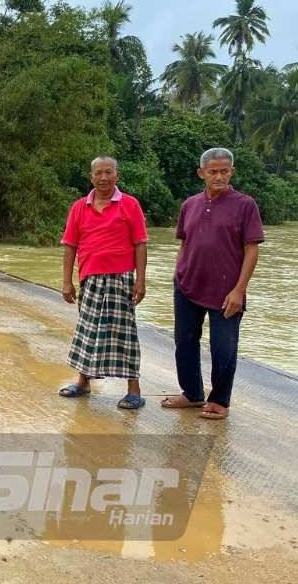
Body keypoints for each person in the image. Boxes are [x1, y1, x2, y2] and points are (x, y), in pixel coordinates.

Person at [161, 147, 264, 420]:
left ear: (232, 172)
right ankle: (192, 393)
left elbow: (252, 249)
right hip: (187, 285)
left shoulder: (245, 205)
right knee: (185, 342)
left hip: (227, 291)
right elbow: (184, 242)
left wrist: (239, 290)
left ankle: (219, 401)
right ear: (201, 173)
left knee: (223, 348)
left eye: (224, 171)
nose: (219, 176)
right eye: (213, 171)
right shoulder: (190, 204)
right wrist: (178, 273)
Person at [58, 156, 149, 409]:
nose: (104, 178)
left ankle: (134, 390)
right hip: (89, 278)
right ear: (91, 177)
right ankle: (83, 381)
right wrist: (67, 282)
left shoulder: (130, 204)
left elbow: (140, 244)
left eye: (109, 172)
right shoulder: (79, 207)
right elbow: (70, 246)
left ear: (117, 176)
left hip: (121, 278)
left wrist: (140, 281)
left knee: (124, 334)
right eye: (99, 173)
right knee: (88, 331)